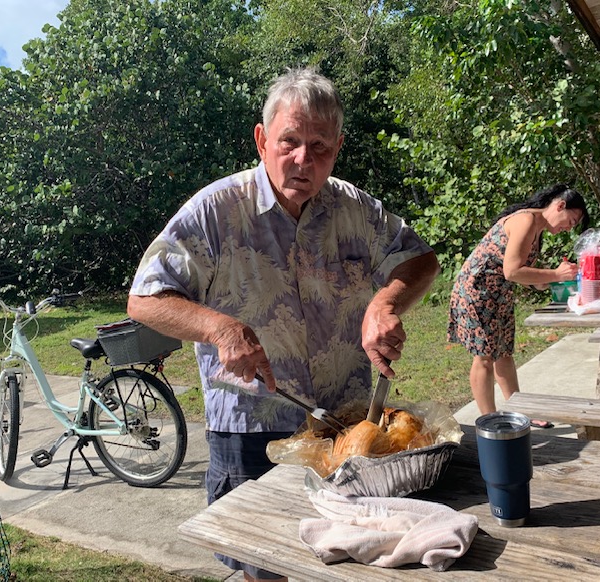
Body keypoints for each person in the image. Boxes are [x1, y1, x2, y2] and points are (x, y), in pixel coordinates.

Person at [127, 67, 439, 582]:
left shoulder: (355, 208)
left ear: (337, 148)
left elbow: (420, 260)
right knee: (262, 565)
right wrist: (220, 329)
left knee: (348, 557)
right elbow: (145, 298)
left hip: (346, 429)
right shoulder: (215, 210)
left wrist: (385, 304)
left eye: (319, 146)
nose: (302, 160)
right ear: (262, 140)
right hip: (252, 428)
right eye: (289, 141)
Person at [447, 184, 589, 424]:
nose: (568, 228)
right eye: (571, 221)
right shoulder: (525, 220)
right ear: (560, 205)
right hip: (477, 292)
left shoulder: (538, 229)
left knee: (504, 354)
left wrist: (554, 280)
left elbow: (525, 275)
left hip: (499, 294)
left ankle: (520, 411)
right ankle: (491, 422)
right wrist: (556, 274)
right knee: (484, 358)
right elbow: (512, 271)